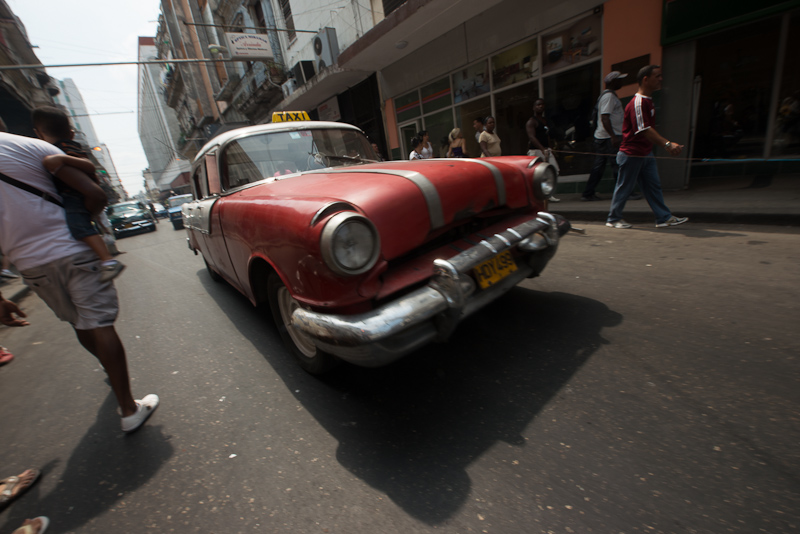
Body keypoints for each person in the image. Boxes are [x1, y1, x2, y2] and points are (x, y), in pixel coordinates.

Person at [0, 119, 159, 433]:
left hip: (28, 264)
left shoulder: (35, 145)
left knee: (79, 322)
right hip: (71, 249)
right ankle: (129, 409)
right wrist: (85, 224)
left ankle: (108, 367)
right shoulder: (32, 147)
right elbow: (94, 193)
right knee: (99, 323)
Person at [31, 107, 124, 282]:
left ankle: (108, 261)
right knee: (82, 226)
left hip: (74, 196)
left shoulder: (61, 149)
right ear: (72, 133)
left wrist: (62, 159)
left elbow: (89, 165)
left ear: (38, 134)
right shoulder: (60, 147)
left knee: (80, 227)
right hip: (73, 196)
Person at [606, 65, 688, 229]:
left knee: (653, 186)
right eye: (657, 76)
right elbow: (644, 129)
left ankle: (663, 218)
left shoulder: (648, 101)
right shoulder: (638, 102)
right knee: (625, 187)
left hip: (645, 153)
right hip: (632, 154)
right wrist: (667, 144)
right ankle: (613, 219)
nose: (660, 79)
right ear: (645, 79)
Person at [582, 71, 627, 201]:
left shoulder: (608, 96)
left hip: (604, 137)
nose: (621, 82)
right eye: (619, 79)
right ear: (612, 82)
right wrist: (613, 136)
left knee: (600, 166)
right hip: (608, 138)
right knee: (617, 164)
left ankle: (588, 193)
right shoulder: (609, 97)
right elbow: (605, 118)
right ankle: (623, 193)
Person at [525, 99, 560, 201]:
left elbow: (547, 136)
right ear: (534, 107)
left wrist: (549, 148)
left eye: (542, 105)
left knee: (554, 170)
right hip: (536, 151)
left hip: (546, 150)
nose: (540, 106)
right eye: (538, 105)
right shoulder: (531, 121)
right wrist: (542, 149)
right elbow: (532, 137)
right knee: (536, 174)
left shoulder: (545, 121)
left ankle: (547, 193)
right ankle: (535, 195)